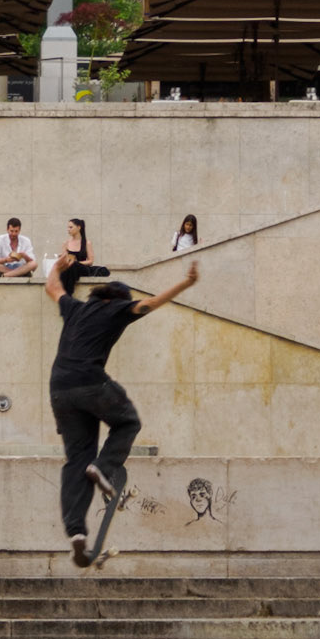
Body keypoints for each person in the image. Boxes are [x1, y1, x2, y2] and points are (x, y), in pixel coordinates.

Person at [46, 250, 200, 566]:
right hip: (90, 381)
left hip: (60, 389)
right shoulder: (116, 307)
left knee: (77, 460)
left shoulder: (75, 308)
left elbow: (53, 288)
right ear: (115, 298)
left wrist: (57, 268)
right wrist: (186, 283)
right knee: (128, 421)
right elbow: (150, 303)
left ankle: (76, 533)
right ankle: (103, 468)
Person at [58, 217, 109, 294]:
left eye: (71, 227)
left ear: (79, 227)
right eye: (68, 227)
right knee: (67, 269)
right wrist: (62, 258)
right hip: (70, 269)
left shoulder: (87, 243)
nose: (68, 229)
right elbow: (64, 261)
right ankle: (66, 292)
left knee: (73, 265)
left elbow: (90, 261)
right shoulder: (66, 243)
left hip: (82, 268)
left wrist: (77, 263)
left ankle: (66, 293)